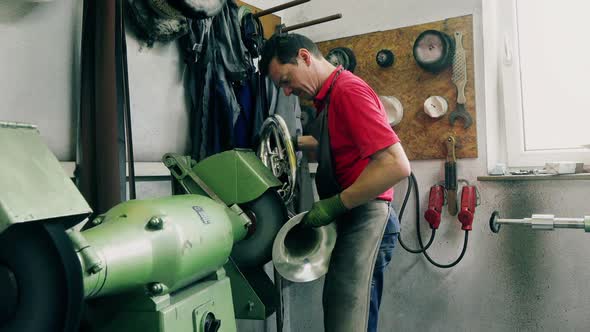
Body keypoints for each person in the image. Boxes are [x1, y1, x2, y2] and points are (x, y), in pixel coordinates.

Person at [259, 33, 411, 332]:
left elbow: (396, 165)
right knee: (343, 317)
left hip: (368, 218)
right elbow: (338, 144)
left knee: (349, 323)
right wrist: (293, 143)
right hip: (353, 218)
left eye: (287, 80)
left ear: (305, 56)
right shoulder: (327, 97)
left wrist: (336, 204)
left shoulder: (348, 91)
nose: (287, 92)